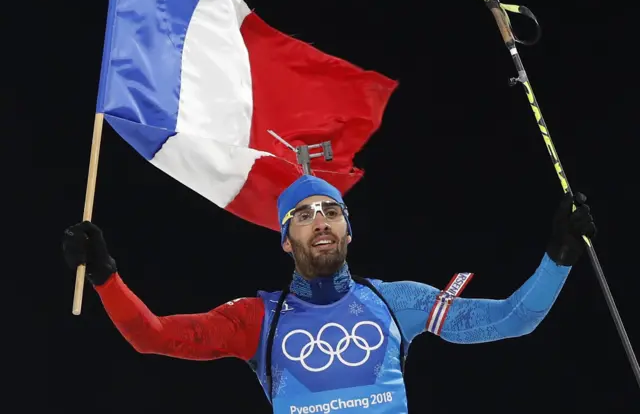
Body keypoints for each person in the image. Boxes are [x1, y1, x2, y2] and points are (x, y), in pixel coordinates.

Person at [62, 175, 596, 414]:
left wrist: (561, 255)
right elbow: (153, 337)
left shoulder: (395, 301)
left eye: (332, 211)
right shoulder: (256, 320)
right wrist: (106, 275)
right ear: (285, 238)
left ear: (348, 232)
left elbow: (512, 319)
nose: (320, 220)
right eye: (304, 214)